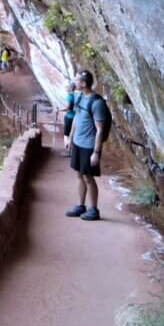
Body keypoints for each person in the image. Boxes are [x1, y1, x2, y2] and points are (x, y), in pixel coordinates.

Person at [63, 70, 108, 221]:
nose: (74, 82)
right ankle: (80, 206)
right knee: (78, 175)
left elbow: (100, 129)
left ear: (83, 83)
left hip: (89, 146)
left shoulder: (97, 103)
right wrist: (70, 137)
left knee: (88, 177)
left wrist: (96, 152)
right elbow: (77, 117)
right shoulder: (80, 97)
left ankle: (94, 209)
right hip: (77, 142)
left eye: (77, 80)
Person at [62, 80, 76, 156]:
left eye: (66, 87)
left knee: (66, 134)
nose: (65, 88)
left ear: (70, 88)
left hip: (69, 117)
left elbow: (67, 107)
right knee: (72, 133)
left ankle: (67, 150)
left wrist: (60, 110)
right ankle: (71, 149)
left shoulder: (69, 96)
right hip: (74, 117)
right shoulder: (75, 95)